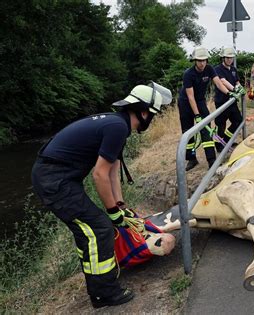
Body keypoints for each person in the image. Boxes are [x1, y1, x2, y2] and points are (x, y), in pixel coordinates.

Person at [31, 82, 176, 308]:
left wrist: (119, 206)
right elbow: (99, 175)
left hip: (57, 177)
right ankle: (104, 293)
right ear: (144, 112)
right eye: (153, 115)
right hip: (54, 180)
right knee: (99, 228)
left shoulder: (117, 124)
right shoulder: (117, 128)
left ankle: (99, 286)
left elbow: (112, 170)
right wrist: (112, 213)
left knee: (91, 231)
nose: (152, 120)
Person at [178, 46, 236, 171]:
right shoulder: (188, 74)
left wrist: (228, 93)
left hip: (200, 101)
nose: (202, 63)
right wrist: (197, 116)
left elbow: (218, 83)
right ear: (194, 61)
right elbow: (190, 96)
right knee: (188, 131)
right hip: (185, 103)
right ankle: (192, 158)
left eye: (204, 60)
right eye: (199, 60)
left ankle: (211, 161)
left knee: (206, 130)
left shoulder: (209, 69)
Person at [213, 47, 245, 152]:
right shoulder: (217, 69)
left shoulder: (234, 69)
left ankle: (226, 140)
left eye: (231, 58)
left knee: (238, 121)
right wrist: (235, 90)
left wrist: (240, 88)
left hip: (232, 101)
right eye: (227, 58)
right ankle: (218, 145)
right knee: (221, 124)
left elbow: (237, 82)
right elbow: (223, 81)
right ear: (223, 58)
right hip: (222, 101)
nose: (229, 60)